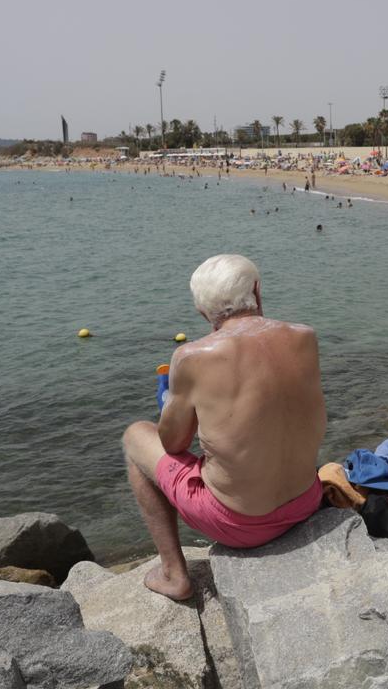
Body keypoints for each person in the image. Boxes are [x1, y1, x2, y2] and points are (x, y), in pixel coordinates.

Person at [121, 255, 326, 600]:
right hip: (306, 502)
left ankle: (174, 572)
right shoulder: (306, 337)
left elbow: (173, 444)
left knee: (135, 436)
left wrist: (174, 404)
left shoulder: (192, 357)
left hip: (239, 525)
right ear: (257, 292)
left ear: (203, 312)